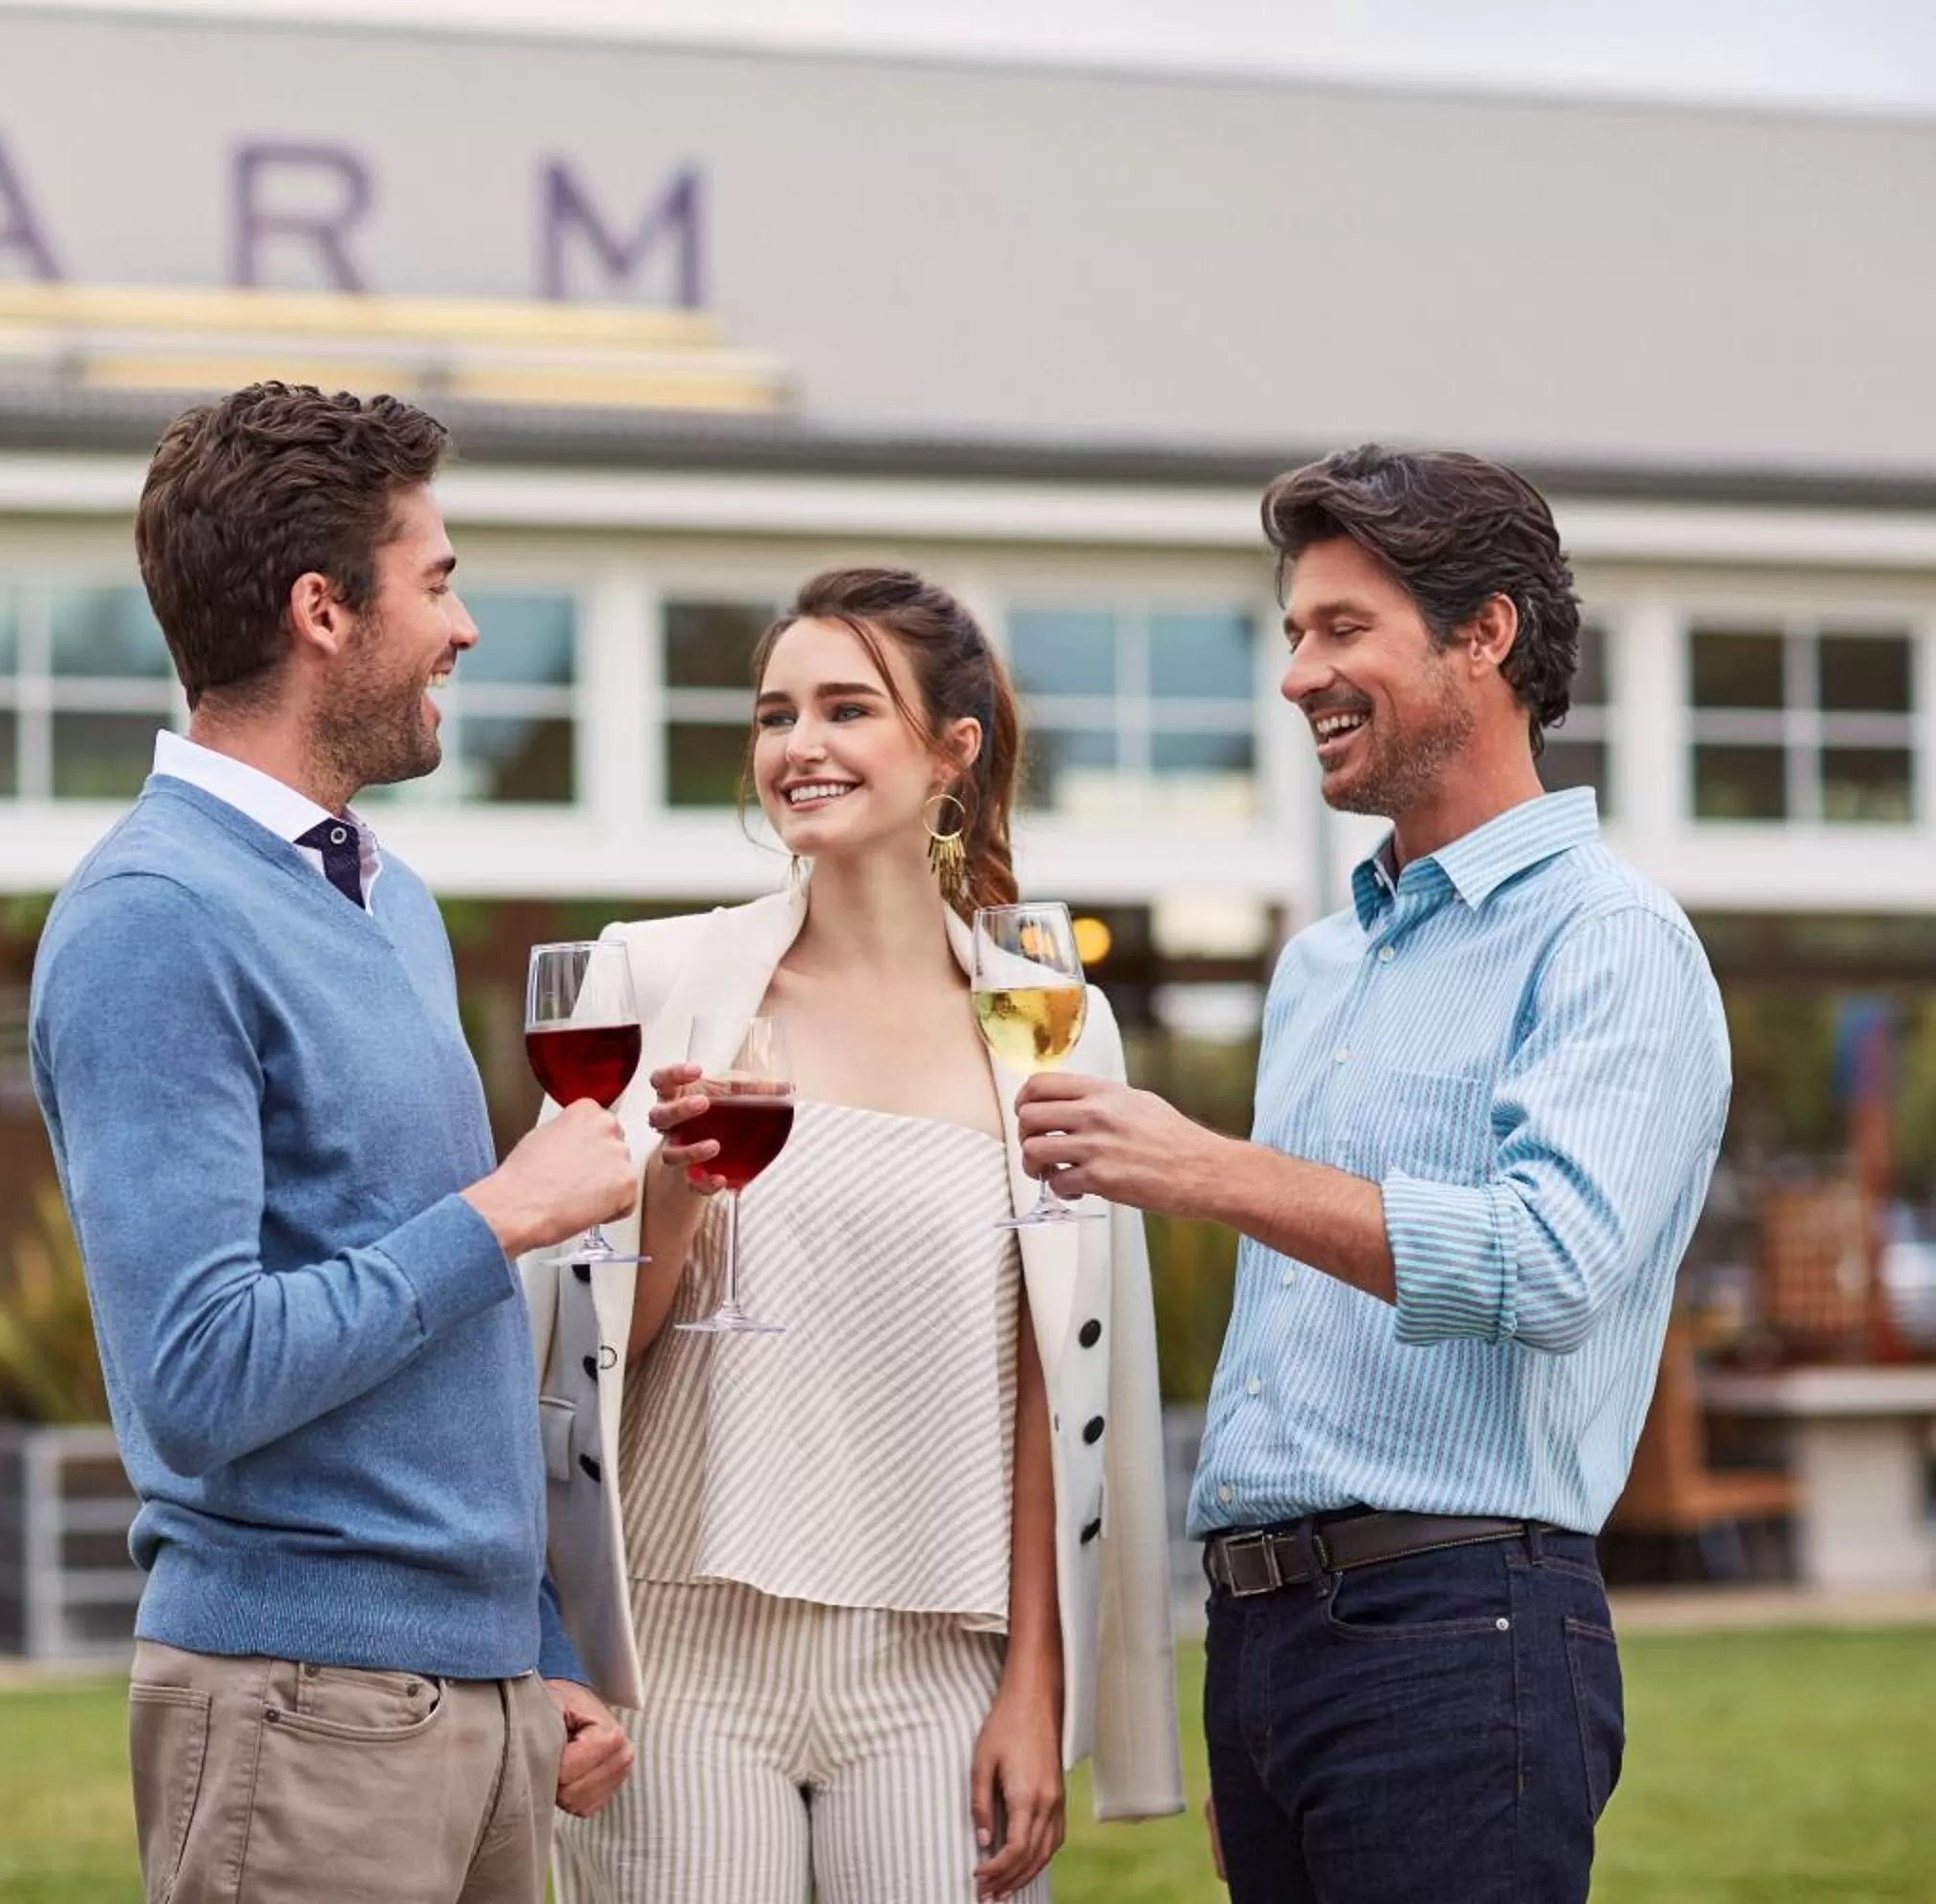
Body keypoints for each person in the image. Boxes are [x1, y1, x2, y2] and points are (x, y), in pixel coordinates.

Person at [1014, 446, 1732, 1903]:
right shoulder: (1321, 966)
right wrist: (1260, 1695)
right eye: (1292, 634)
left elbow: (1549, 1267)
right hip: (1275, 1642)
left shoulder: (1610, 940)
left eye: (1343, 629)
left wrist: (1209, 1170)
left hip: (1463, 1636)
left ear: (1487, 636)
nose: (1296, 675)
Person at [30, 382, 640, 1904]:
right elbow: (196, 1380)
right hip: (299, 1710)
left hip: (480, 1707)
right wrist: (499, 1213)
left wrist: (534, 1647)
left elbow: (428, 1357)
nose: (466, 627)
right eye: (436, 581)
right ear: (323, 610)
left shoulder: (388, 899)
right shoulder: (155, 920)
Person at [529, 567, 1184, 1904]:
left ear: (953, 748)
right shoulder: (652, 982)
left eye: (847, 709)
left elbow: (1051, 1384)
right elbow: (580, 1347)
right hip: (680, 1657)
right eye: (776, 715)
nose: (800, 747)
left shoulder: (1047, 1020)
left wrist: (1033, 1689)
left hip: (938, 1665)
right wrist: (677, 1189)